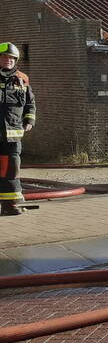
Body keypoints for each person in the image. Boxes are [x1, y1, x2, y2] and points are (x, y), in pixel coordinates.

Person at [0, 43, 35, 216]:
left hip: (12, 136)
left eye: (12, 58)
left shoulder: (22, 79)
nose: (8, 60)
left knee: (11, 170)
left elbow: (30, 103)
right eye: (5, 57)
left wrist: (29, 120)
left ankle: (10, 204)